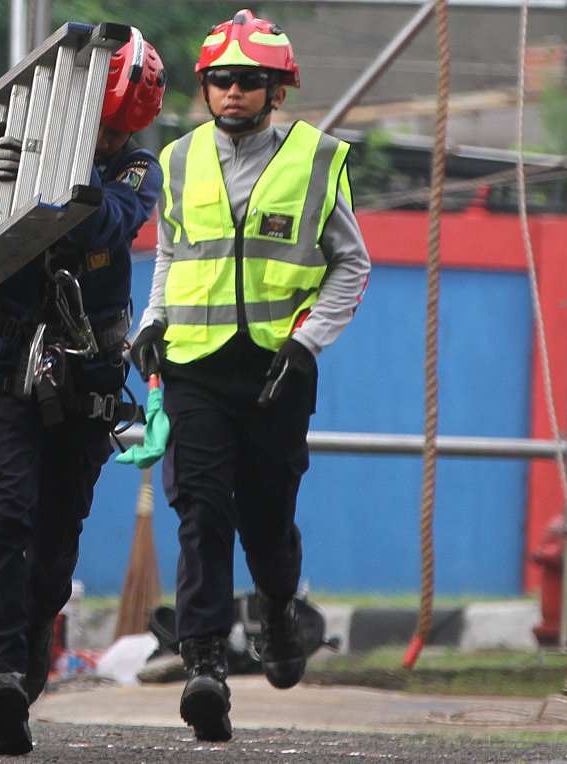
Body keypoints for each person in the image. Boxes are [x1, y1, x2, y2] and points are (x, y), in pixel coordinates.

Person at [130, 10, 371, 742]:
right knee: (201, 511)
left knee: (267, 519)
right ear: (205, 89)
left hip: (276, 372)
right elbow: (173, 255)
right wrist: (150, 323)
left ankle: (277, 610)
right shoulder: (175, 160)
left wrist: (309, 344)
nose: (233, 93)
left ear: (277, 90)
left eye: (249, 82)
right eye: (220, 81)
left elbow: (351, 264)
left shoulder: (318, 158)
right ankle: (204, 663)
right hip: (194, 370)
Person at [0, 28, 165, 756]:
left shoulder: (135, 169)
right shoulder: (3, 134)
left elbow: (109, 221)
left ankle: (29, 647)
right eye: (97, 124)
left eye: (116, 130)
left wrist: (56, 174)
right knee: (2, 511)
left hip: (87, 373)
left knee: (54, 546)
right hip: (1, 360)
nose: (105, 139)